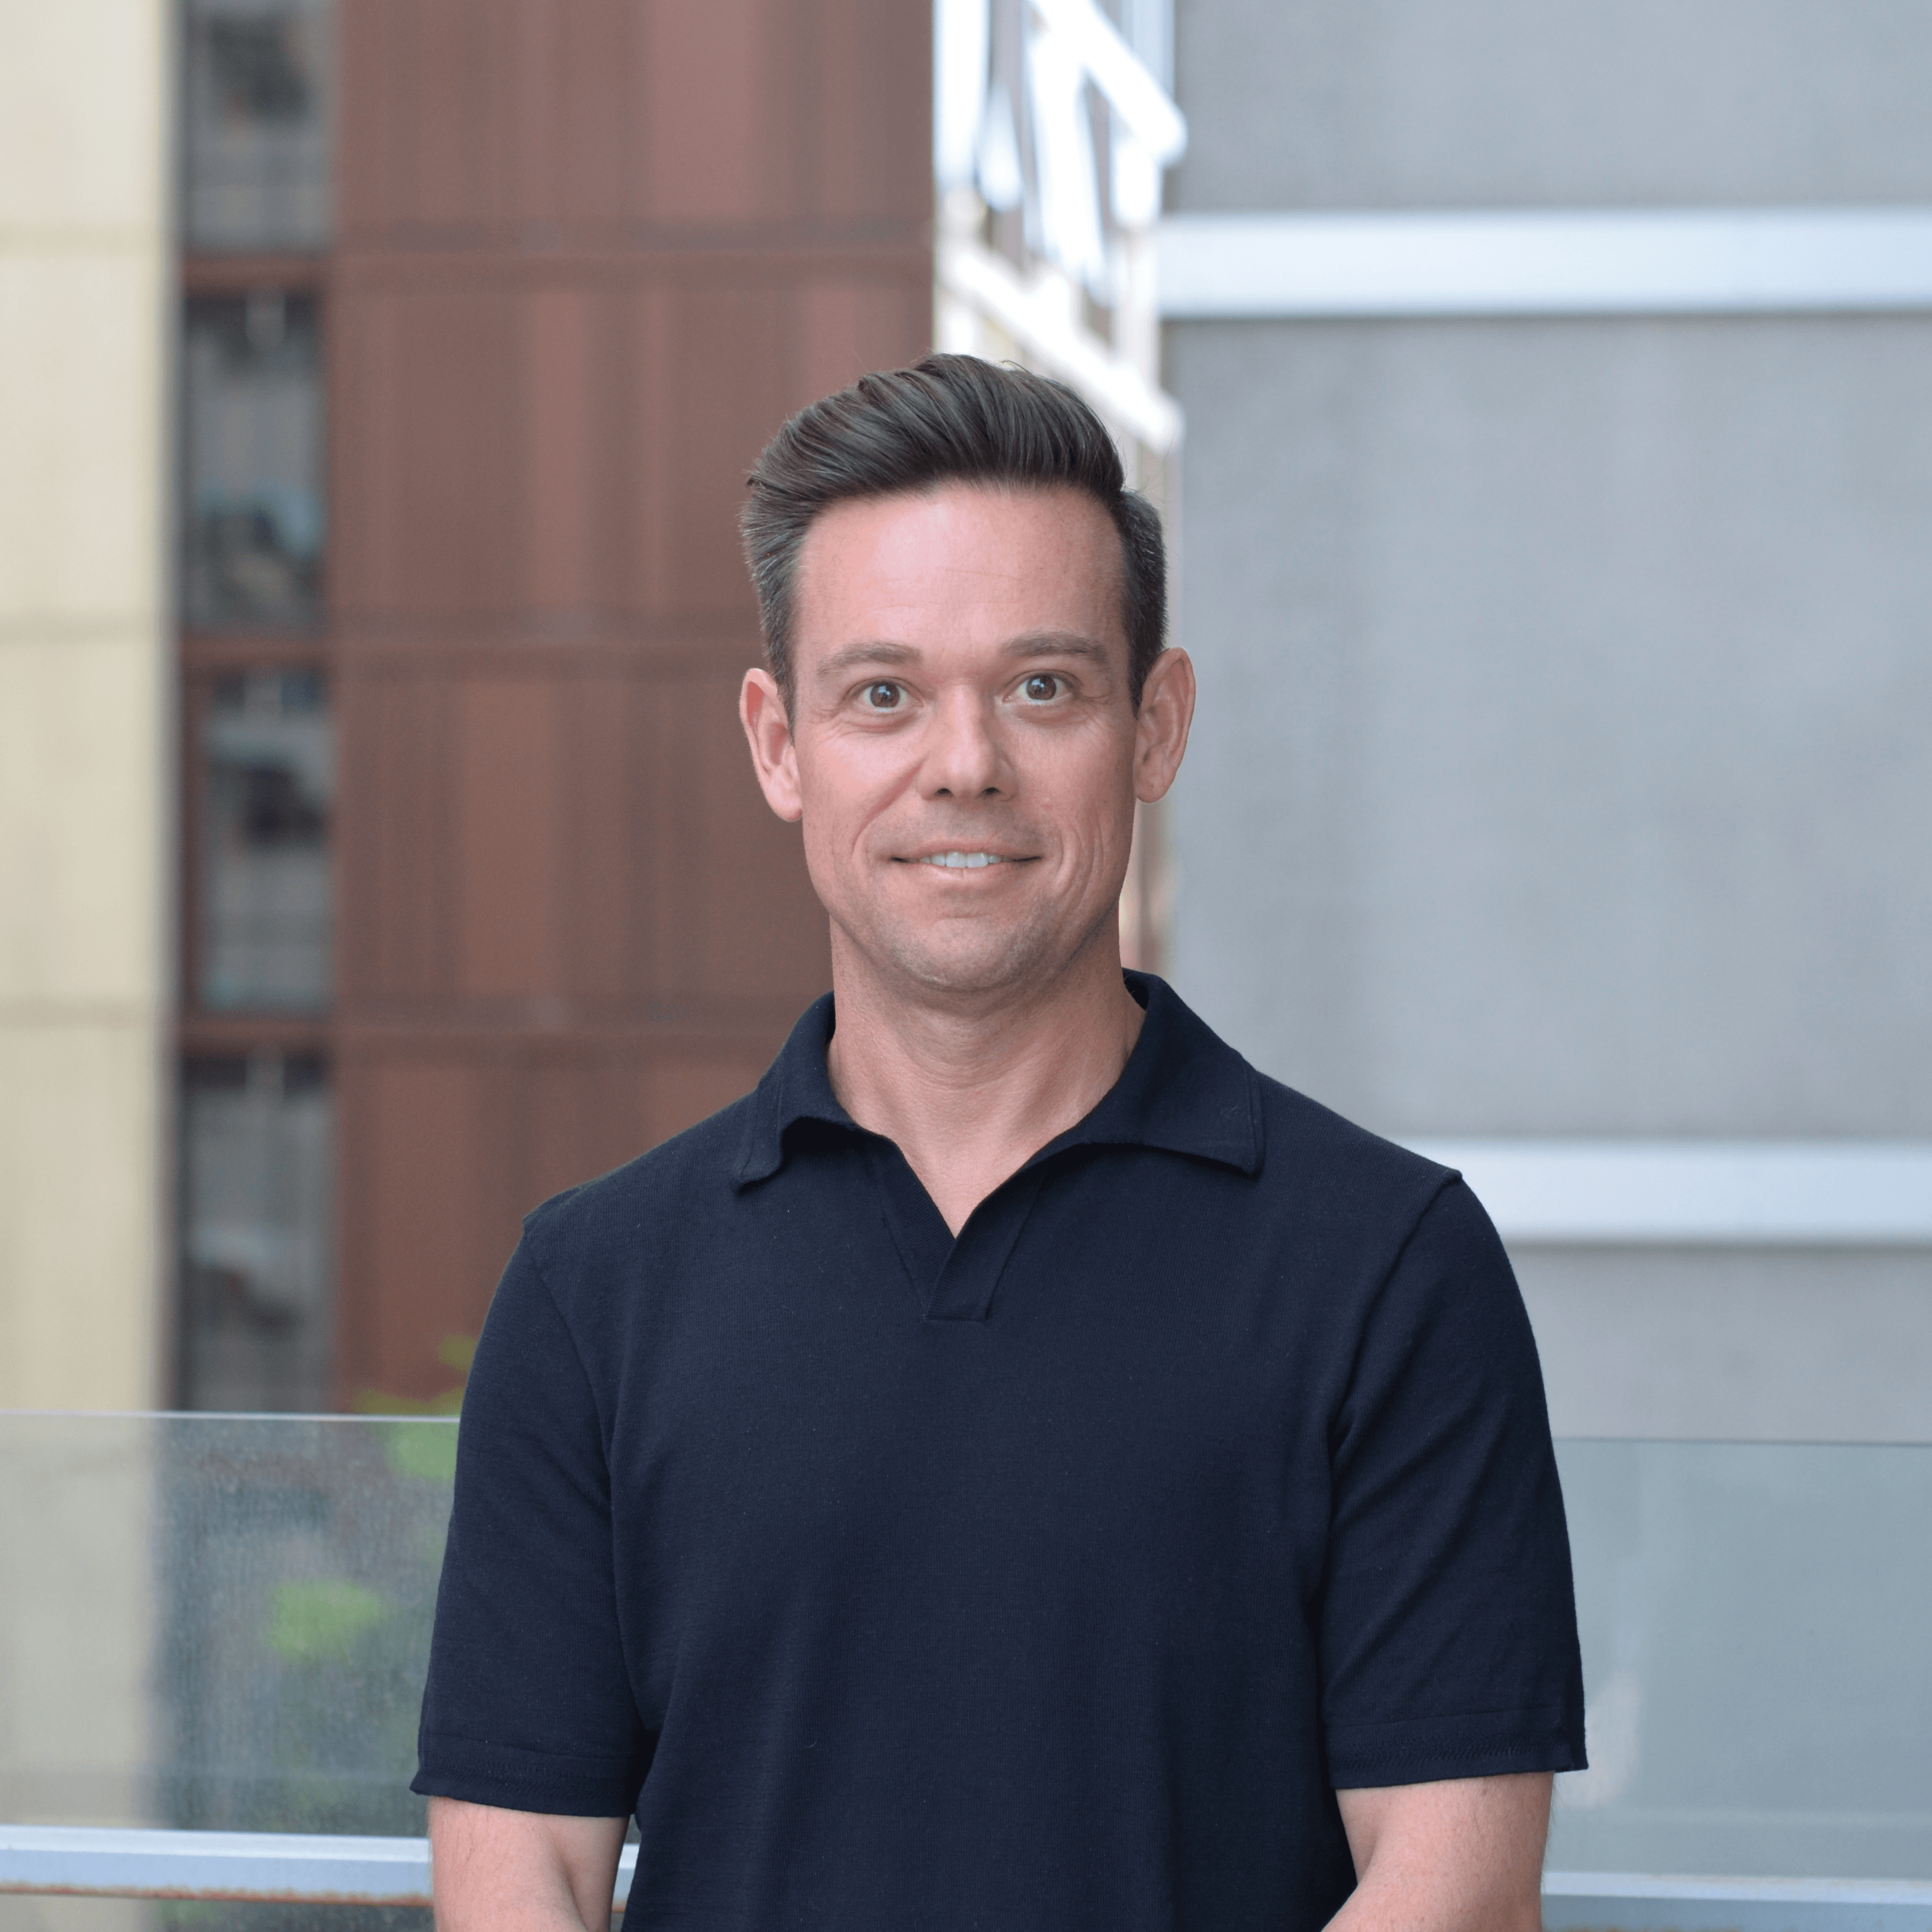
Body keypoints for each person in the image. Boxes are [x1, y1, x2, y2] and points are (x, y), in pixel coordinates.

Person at [413, 353, 1585, 1932]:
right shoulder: (594, 1288)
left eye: (1042, 686)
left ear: (1155, 725)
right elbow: (520, 1879)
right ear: (779, 743)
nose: (963, 764)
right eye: (882, 693)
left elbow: (1455, 1887)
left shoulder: (1387, 1267)